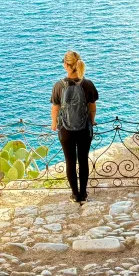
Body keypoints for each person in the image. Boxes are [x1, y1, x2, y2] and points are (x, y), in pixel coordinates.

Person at [50, 50, 98, 203]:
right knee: (83, 160)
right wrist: (91, 120)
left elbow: (55, 108)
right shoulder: (88, 84)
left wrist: (54, 123)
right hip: (84, 129)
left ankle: (75, 195)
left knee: (70, 162)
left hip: (66, 130)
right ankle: (83, 194)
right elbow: (92, 107)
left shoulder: (59, 85)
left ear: (66, 65)